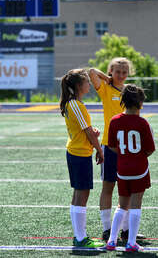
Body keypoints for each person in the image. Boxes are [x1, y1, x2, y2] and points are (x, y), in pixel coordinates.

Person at [89, 58, 145, 242]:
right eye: (117, 71)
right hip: (109, 145)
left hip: (128, 148)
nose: (121, 75)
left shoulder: (132, 91)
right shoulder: (106, 88)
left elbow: (137, 116)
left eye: (124, 72)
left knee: (128, 190)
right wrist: (108, 79)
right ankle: (107, 229)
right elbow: (91, 72)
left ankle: (127, 229)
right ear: (111, 71)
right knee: (108, 187)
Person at [105, 84, 155, 252]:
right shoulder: (142, 123)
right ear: (140, 103)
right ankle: (131, 242)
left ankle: (112, 240)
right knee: (136, 205)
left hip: (122, 168)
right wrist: (137, 156)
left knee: (121, 205)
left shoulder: (114, 120)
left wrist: (125, 154)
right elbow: (150, 149)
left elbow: (112, 146)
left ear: (123, 101)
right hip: (139, 169)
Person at [60, 68, 105, 248]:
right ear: (79, 85)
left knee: (79, 193)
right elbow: (87, 131)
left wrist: (92, 133)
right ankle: (81, 238)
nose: (89, 85)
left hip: (79, 152)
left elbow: (85, 129)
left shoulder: (74, 104)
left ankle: (79, 235)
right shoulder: (76, 105)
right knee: (82, 194)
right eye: (86, 81)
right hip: (79, 154)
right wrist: (100, 150)